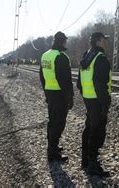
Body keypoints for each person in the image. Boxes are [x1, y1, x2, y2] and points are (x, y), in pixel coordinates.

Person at [77, 32, 112, 177]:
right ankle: (93, 164)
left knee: (89, 128)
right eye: (104, 40)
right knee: (97, 131)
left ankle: (85, 160)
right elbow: (100, 84)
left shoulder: (87, 56)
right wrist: (105, 103)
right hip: (98, 101)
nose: (106, 42)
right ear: (98, 41)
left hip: (88, 98)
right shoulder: (101, 59)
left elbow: (79, 82)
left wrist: (86, 95)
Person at [40, 31, 73, 162]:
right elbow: (64, 80)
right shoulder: (61, 57)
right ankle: (53, 153)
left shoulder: (45, 55)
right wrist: (69, 98)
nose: (66, 43)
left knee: (52, 121)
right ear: (62, 41)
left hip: (50, 91)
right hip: (59, 94)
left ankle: (51, 147)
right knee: (59, 123)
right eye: (65, 41)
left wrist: (46, 92)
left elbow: (42, 76)